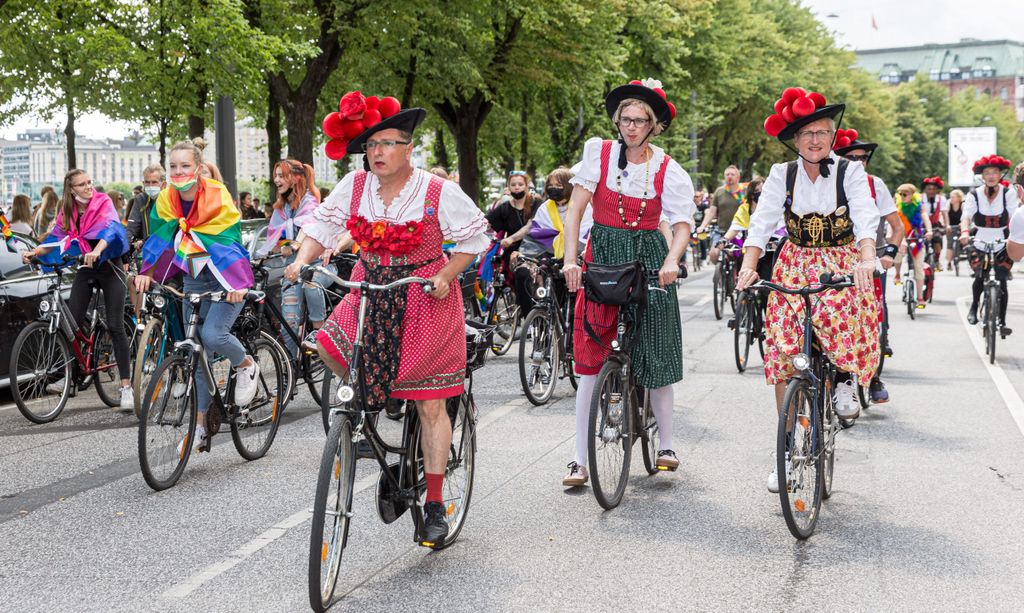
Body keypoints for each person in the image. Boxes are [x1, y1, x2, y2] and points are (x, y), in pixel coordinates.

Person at [284, 90, 488, 546]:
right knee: (327, 344)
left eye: (387, 144)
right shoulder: (355, 187)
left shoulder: (437, 190)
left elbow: (476, 240)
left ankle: (434, 504)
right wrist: (300, 261)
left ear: (408, 148)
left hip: (424, 294)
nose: (377, 152)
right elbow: (322, 227)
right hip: (370, 287)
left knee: (430, 402)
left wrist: (445, 274)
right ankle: (367, 407)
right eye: (371, 145)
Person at [736, 87, 880, 492]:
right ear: (795, 140)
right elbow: (762, 222)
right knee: (784, 349)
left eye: (822, 132)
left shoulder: (850, 172)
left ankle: (845, 378)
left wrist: (866, 257)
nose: (815, 139)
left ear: (833, 136)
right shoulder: (782, 174)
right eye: (807, 133)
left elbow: (865, 216)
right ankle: (784, 452)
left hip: (840, 260)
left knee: (842, 312)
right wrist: (749, 265)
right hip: (795, 261)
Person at [561, 78, 694, 486]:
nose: (631, 127)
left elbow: (682, 224)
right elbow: (575, 211)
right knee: (589, 363)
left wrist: (672, 260)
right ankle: (579, 460)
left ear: (654, 125)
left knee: (656, 348)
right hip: (603, 255)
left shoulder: (668, 168)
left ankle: (667, 444)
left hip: (650, 258)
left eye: (640, 121)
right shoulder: (598, 154)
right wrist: (571, 260)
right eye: (626, 120)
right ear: (617, 121)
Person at [133, 140, 260, 451]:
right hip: (193, 274)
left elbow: (229, 239)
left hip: (226, 275)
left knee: (214, 335)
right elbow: (161, 237)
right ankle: (200, 427)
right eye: (173, 166)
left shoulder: (216, 193)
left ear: (198, 168)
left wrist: (236, 285)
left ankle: (246, 364)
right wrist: (147, 272)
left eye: (185, 166)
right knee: (197, 354)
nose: (178, 171)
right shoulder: (167, 197)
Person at [22, 169, 134, 409]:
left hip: (110, 266)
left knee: (115, 325)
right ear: (71, 190)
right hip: (86, 267)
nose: (88, 187)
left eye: (89, 182)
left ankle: (126, 387)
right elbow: (57, 238)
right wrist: (35, 252)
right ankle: (71, 374)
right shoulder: (68, 211)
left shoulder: (103, 202)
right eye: (82, 184)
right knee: (71, 322)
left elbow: (111, 230)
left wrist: (97, 250)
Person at [834, 129, 904, 404]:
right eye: (851, 158)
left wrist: (890, 254)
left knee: (873, 316)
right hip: (837, 261)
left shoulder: (876, 185)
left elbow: (897, 227)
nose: (858, 162)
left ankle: (873, 376)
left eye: (862, 158)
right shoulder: (830, 183)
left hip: (872, 260)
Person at [263, 159, 330, 355]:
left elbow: (308, 229)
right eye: (275, 176)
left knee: (312, 285)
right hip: (292, 270)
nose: (276, 180)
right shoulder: (281, 209)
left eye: (281, 176)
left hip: (316, 265)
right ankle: (292, 366)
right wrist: (285, 245)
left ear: (296, 178)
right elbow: (276, 239)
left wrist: (294, 245)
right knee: (288, 323)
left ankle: (319, 332)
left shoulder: (310, 202)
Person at [961, 155, 1019, 336]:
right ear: (982, 176)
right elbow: (966, 217)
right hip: (980, 239)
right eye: (987, 173)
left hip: (1002, 241)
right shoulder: (974, 194)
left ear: (1001, 175)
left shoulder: (1008, 193)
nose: (992, 176)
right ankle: (974, 307)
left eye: (995, 172)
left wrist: (1017, 235)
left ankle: (1002, 322)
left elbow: (1014, 216)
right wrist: (964, 232)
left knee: (1002, 279)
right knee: (980, 276)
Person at [486, 171, 538, 311]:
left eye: (520, 184)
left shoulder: (536, 204)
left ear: (526, 186)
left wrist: (511, 238)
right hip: (513, 254)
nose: (517, 187)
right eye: (513, 184)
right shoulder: (504, 208)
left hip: (536, 250)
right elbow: (487, 223)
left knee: (528, 276)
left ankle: (532, 311)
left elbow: (531, 226)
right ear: (508, 187)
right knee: (520, 275)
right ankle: (526, 313)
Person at [891, 185, 932, 308]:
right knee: (897, 254)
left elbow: (925, 217)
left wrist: (929, 230)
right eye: (900, 194)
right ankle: (897, 274)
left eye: (905, 194)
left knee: (919, 267)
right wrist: (892, 237)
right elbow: (892, 223)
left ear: (912, 195)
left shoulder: (919, 206)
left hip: (916, 237)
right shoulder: (897, 207)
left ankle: (920, 297)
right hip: (900, 237)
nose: (902, 196)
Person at [698, 165, 745, 263]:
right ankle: (721, 269)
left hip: (739, 231)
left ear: (738, 177)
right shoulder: (719, 191)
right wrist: (702, 226)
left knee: (740, 256)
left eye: (732, 174)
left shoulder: (744, 191)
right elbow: (712, 211)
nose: (729, 176)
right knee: (713, 254)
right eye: (727, 174)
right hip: (721, 231)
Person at [127, 164, 166, 252]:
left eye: (154, 182)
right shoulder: (141, 199)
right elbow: (132, 228)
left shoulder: (170, 199)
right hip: (147, 250)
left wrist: (145, 241)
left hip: (167, 248)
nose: (150, 186)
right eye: (147, 182)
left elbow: (167, 229)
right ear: (143, 183)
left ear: (163, 184)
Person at [922, 176, 947, 270]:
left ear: (937, 190)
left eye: (934, 189)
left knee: (937, 240)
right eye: (929, 189)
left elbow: (944, 213)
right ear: (925, 189)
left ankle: (937, 260)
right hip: (921, 224)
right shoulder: (920, 198)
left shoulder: (941, 199)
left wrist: (947, 225)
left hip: (935, 224)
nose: (931, 191)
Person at [945, 189, 965, 269]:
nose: (951, 199)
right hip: (951, 226)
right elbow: (945, 214)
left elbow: (965, 215)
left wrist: (963, 224)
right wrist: (947, 225)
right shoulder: (949, 203)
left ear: (958, 198)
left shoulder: (963, 204)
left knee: (965, 241)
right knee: (950, 243)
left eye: (953, 197)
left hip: (961, 225)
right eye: (950, 197)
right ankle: (949, 262)